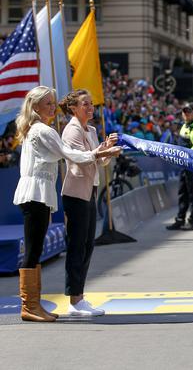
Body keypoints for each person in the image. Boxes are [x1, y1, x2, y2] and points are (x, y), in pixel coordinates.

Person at [13, 86, 121, 322]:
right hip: (37, 193)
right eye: (48, 104)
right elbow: (71, 155)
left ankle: (33, 304)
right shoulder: (43, 130)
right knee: (34, 250)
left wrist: (100, 152)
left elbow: (75, 155)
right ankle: (30, 306)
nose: (53, 107)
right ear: (35, 107)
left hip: (38, 193)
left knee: (37, 249)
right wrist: (102, 153)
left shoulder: (39, 129)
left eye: (53, 103)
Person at [59, 89, 117, 316]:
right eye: (85, 104)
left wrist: (106, 150)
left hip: (89, 190)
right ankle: (75, 300)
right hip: (75, 193)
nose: (90, 107)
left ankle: (79, 297)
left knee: (87, 245)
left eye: (91, 104)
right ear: (74, 108)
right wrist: (103, 151)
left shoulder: (91, 129)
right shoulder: (70, 131)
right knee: (77, 245)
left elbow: (97, 161)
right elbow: (82, 159)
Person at [166, 104, 193, 231]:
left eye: (188, 112)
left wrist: (185, 157)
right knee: (182, 192)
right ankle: (180, 219)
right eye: (184, 112)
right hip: (183, 165)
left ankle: (192, 221)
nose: (186, 114)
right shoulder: (184, 126)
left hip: (192, 165)